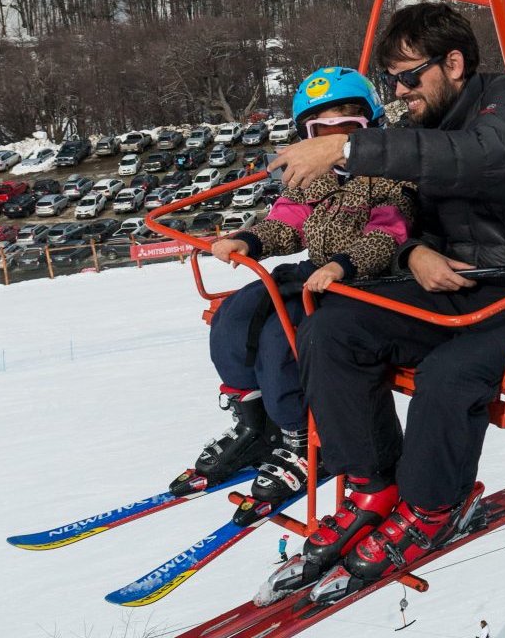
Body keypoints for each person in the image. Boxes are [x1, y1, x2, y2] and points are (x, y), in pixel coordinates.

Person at [262, 2, 505, 599]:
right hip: (470, 291)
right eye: (391, 80)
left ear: (452, 64)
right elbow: (408, 214)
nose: (399, 92)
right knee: (334, 329)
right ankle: (374, 485)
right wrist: (415, 252)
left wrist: (346, 149)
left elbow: (477, 156)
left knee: (452, 372)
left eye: (408, 76)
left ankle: (431, 505)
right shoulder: (431, 127)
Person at [174, 68, 415, 525]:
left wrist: (343, 264)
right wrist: (250, 240)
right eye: (320, 133)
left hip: (363, 280)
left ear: (372, 130)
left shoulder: (387, 177)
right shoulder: (310, 178)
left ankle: (302, 440)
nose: (333, 145)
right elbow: (287, 220)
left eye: (349, 131)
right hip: (314, 272)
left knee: (280, 343)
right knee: (237, 316)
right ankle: (255, 425)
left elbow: (389, 233)